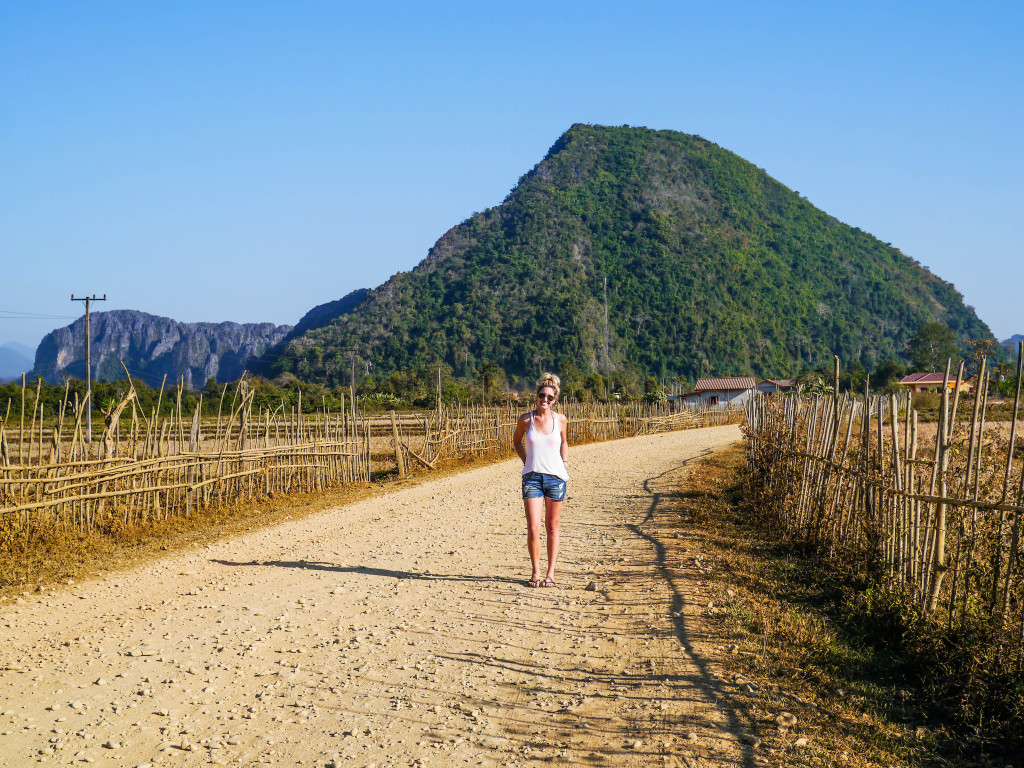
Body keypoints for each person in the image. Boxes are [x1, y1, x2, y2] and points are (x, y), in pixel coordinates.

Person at [512, 373, 569, 588]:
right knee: (534, 528)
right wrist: (527, 462)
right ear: (536, 396)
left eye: (549, 397)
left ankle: (550, 573)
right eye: (541, 396)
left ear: (555, 400)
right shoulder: (526, 420)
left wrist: (564, 464)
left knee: (552, 527)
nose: (545, 400)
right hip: (532, 479)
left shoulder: (560, 420)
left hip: (556, 479)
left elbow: (564, 442)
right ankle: (535, 572)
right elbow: (517, 441)